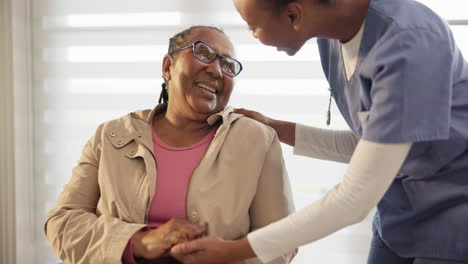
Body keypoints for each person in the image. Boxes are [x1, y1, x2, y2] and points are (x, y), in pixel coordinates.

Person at [170, 0, 468, 264]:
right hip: (399, 215)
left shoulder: (409, 45)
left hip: (452, 219)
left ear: (293, 15)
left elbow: (354, 198)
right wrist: (275, 128)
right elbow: (374, 143)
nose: (255, 36)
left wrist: (234, 251)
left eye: (253, 27)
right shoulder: (334, 39)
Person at [44, 25, 297, 264]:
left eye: (228, 65)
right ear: (168, 66)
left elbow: (282, 242)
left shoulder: (257, 140)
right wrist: (139, 241)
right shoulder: (111, 136)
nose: (217, 70)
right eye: (204, 53)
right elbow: (62, 223)